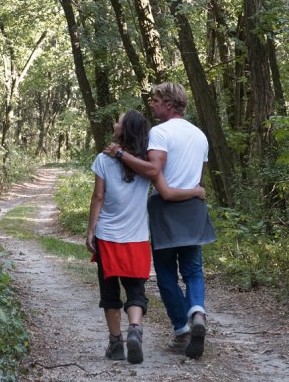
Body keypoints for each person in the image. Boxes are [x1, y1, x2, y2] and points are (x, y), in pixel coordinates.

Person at [106, 82, 217, 359]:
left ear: (168, 102)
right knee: (193, 270)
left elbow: (155, 171)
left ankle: (182, 331)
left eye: (155, 100)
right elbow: (199, 181)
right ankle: (198, 313)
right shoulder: (201, 136)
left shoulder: (160, 133)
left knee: (167, 275)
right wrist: (194, 192)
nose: (152, 105)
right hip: (193, 208)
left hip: (166, 209)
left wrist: (120, 153)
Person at [86, 109, 205, 364]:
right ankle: (135, 330)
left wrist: (91, 229)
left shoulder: (104, 159)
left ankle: (116, 343)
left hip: (107, 236)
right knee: (135, 290)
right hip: (137, 238)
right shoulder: (145, 167)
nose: (115, 123)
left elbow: (98, 197)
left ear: (124, 129)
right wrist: (195, 191)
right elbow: (165, 185)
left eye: (118, 121)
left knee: (109, 292)